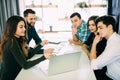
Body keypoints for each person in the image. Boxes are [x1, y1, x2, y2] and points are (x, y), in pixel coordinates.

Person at [0, 16, 53, 80]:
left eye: (24, 26)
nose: (24, 29)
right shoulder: (12, 42)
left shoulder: (16, 40)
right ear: (12, 28)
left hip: (17, 74)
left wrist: (40, 45)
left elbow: (27, 56)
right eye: (21, 27)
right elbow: (25, 65)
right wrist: (44, 57)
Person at [90, 15, 120, 80]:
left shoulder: (114, 45)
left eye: (100, 28)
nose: (98, 31)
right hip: (109, 73)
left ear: (110, 27)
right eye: (98, 28)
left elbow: (93, 65)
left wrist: (94, 43)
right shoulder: (114, 39)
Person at [82, 16, 107, 80]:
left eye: (93, 25)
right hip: (93, 61)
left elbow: (96, 58)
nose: (90, 27)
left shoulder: (103, 38)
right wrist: (88, 53)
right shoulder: (93, 34)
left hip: (100, 67)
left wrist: (90, 54)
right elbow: (84, 45)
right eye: (89, 25)